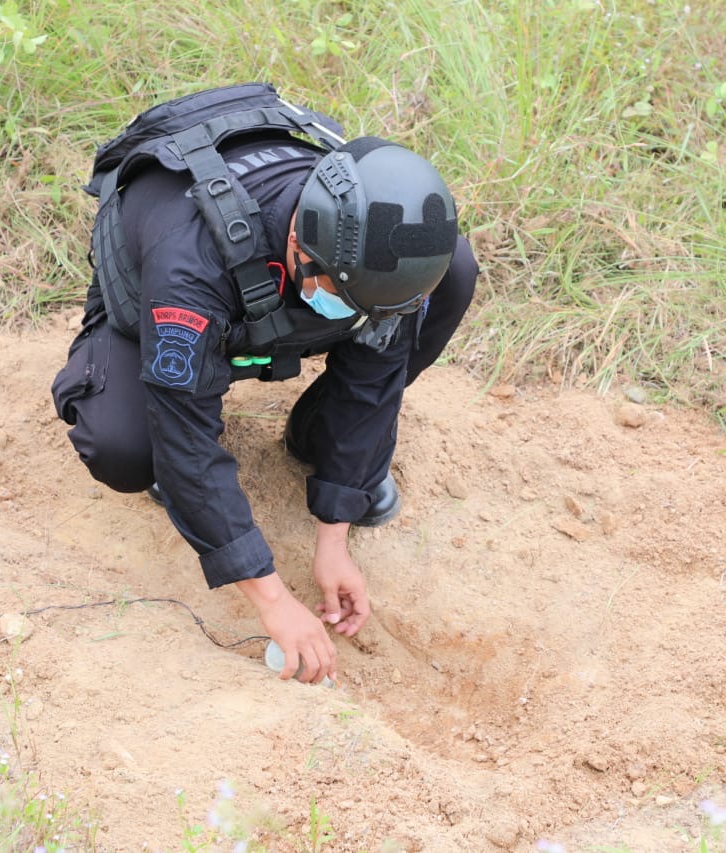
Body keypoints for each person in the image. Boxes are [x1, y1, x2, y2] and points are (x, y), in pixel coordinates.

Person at [51, 86, 479, 685]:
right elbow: (188, 440)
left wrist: (335, 530)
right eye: (336, 289)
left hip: (282, 285)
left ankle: (319, 444)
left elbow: (377, 372)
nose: (347, 310)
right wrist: (274, 601)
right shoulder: (189, 267)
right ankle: (128, 403)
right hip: (160, 285)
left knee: (454, 270)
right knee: (129, 447)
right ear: (302, 241)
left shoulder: (381, 257)